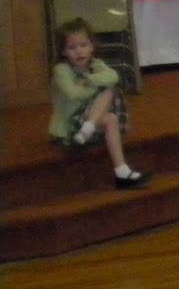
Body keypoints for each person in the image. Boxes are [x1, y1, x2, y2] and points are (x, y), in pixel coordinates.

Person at [48, 17, 148, 188]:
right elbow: (74, 94)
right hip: (70, 125)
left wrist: (89, 79)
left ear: (92, 46)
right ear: (63, 51)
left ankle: (121, 171)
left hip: (86, 123)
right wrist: (96, 83)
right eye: (72, 48)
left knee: (111, 115)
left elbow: (114, 76)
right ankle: (88, 129)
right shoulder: (61, 70)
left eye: (83, 45)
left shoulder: (96, 65)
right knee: (108, 91)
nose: (79, 52)